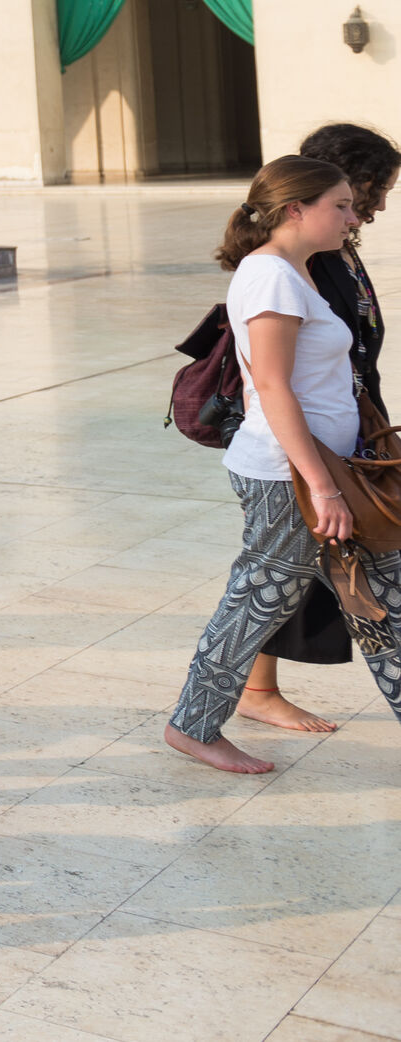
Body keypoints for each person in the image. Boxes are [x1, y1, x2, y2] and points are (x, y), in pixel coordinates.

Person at [166, 154, 401, 772]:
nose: (353, 219)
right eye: (341, 206)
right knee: (259, 599)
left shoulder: (299, 271)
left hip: (325, 470)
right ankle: (194, 726)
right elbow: (271, 388)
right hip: (288, 475)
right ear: (296, 209)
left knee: (387, 592)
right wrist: (323, 487)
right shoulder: (270, 276)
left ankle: (194, 723)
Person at [241, 121, 399, 732]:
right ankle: (243, 693)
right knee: (286, 571)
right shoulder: (292, 263)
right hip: (311, 449)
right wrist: (325, 476)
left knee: (291, 569)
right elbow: (282, 374)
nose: (377, 206)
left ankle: (253, 687)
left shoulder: (332, 249)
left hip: (341, 434)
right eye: (372, 191)